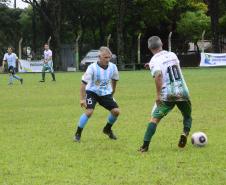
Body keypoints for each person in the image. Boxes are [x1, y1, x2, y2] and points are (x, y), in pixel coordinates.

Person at [139, 36, 192, 152]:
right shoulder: (172, 55)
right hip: (182, 91)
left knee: (154, 119)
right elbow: (169, 66)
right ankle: (185, 133)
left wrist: (158, 95)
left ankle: (145, 145)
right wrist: (151, 64)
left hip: (168, 95)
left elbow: (158, 75)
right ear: (162, 43)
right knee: (187, 116)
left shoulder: (154, 61)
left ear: (149, 47)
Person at [74, 46, 120, 142]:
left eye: (109, 57)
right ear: (99, 57)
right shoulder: (92, 68)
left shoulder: (113, 67)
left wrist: (113, 91)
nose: (107, 60)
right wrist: (82, 99)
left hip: (105, 93)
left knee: (116, 111)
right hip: (92, 92)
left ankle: (107, 129)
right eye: (105, 57)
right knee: (89, 112)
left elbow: (115, 79)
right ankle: (77, 134)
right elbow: (83, 84)